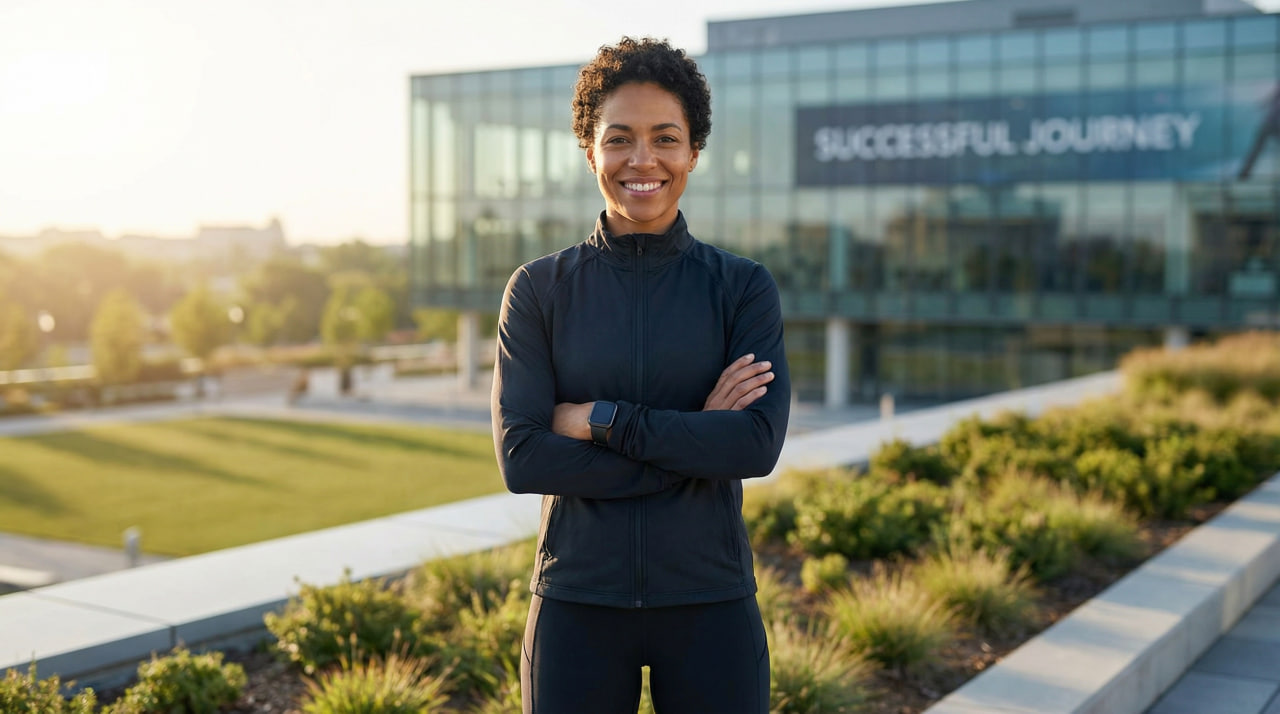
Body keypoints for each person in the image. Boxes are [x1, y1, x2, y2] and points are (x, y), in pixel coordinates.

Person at [491, 36, 790, 714]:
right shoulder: (539, 289)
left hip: (710, 601)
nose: (643, 160)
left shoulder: (741, 289)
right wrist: (695, 443)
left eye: (666, 138)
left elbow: (754, 447)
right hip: (577, 604)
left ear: (693, 152)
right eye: (620, 139)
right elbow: (523, 457)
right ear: (590, 150)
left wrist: (600, 421)